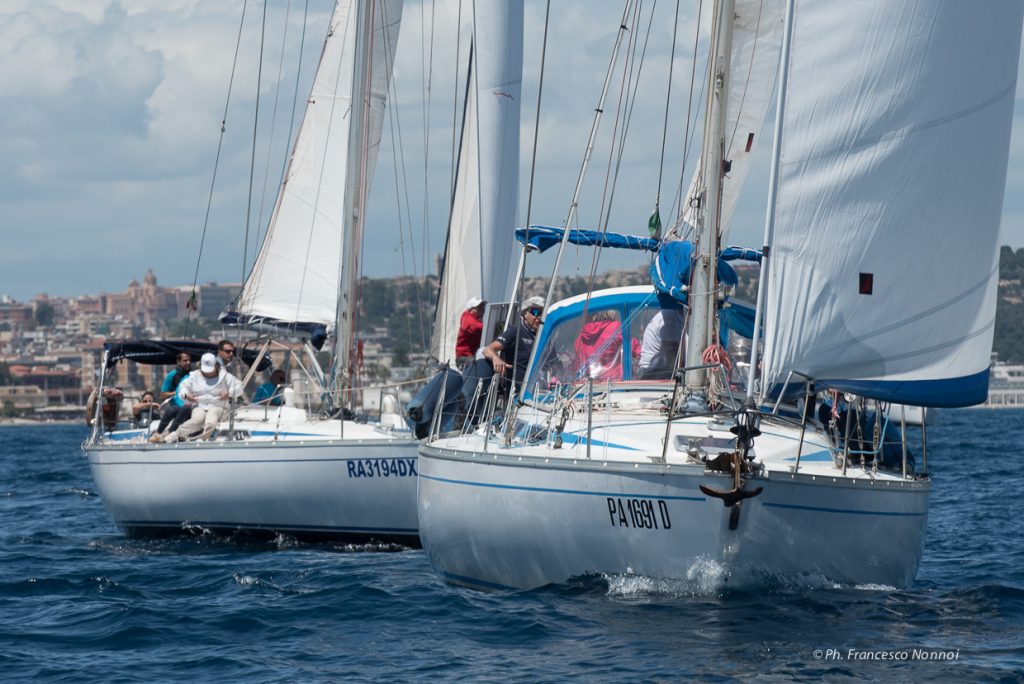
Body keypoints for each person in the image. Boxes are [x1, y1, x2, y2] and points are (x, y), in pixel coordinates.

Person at [158, 353, 244, 443]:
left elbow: (239, 386)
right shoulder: (194, 376)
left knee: (212, 417)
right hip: (200, 405)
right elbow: (182, 387)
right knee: (196, 420)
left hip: (219, 406)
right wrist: (186, 395)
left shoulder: (224, 376)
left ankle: (202, 438)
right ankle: (174, 435)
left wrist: (229, 393)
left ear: (215, 366)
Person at [482, 296, 544, 390]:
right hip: (515, 391)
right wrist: (496, 358)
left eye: (542, 314)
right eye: (536, 312)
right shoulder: (515, 331)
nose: (539, 317)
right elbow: (488, 349)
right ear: (525, 314)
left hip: (538, 389)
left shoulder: (543, 335)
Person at [573, 310, 625, 381]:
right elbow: (634, 348)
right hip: (614, 383)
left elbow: (577, 367)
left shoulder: (581, 337)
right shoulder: (616, 328)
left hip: (588, 384)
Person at [151, 352, 193, 440]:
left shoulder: (193, 375)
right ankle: (158, 433)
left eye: (189, 360)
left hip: (190, 406)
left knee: (185, 409)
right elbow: (162, 395)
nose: (188, 362)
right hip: (176, 407)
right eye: (185, 360)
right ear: (178, 361)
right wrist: (177, 393)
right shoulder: (172, 375)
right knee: (171, 410)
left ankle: (169, 433)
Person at [637, 308, 687, 379]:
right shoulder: (668, 317)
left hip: (660, 369)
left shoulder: (677, 315)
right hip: (652, 372)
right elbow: (669, 354)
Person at [455, 297, 486, 370]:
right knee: (481, 367)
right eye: (478, 307)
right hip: (464, 358)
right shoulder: (467, 318)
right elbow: (474, 327)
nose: (482, 309)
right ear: (471, 309)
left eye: (482, 306)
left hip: (473, 354)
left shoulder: (477, 319)